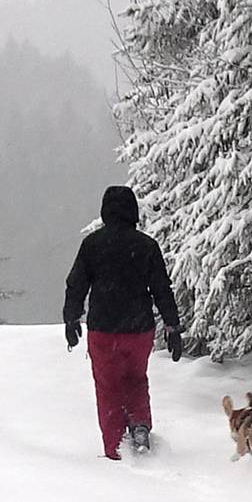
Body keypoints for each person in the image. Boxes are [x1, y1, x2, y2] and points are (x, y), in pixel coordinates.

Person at [62, 184, 186, 460]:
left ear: (105, 211)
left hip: (103, 330)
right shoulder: (146, 245)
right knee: (135, 379)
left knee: (108, 387)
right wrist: (172, 326)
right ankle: (139, 424)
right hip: (139, 329)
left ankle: (115, 447)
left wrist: (71, 318)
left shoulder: (93, 245)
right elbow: (162, 289)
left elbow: (76, 285)